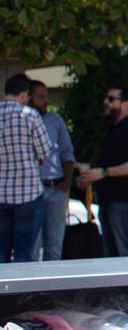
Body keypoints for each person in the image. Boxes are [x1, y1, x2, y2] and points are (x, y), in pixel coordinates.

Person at [77, 83, 128, 257]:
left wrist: (105, 172)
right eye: (106, 98)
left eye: (111, 99)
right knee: (112, 254)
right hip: (109, 200)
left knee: (126, 252)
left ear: (126, 104)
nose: (106, 102)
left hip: (124, 201)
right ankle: (119, 285)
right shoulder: (114, 130)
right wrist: (93, 176)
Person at [0, 73, 51, 263]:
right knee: (25, 252)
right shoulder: (30, 116)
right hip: (28, 193)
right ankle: (21, 293)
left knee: (1, 251)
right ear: (24, 95)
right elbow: (44, 151)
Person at [29, 81, 75, 262]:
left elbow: (67, 153)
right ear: (29, 97)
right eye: (41, 96)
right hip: (33, 190)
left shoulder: (55, 121)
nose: (46, 101)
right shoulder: (25, 120)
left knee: (54, 245)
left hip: (56, 187)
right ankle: (29, 287)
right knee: (32, 245)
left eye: (46, 96)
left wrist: (67, 181)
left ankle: (52, 289)